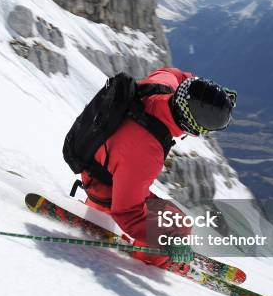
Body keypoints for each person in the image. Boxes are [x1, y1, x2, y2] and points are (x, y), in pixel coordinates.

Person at [81, 66, 236, 270]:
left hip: (102, 163)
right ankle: (152, 261)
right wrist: (167, 241)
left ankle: (98, 213)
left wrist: (212, 96)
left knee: (173, 220)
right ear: (192, 127)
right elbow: (127, 212)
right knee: (178, 226)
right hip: (105, 188)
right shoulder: (146, 152)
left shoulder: (161, 87)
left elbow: (175, 74)